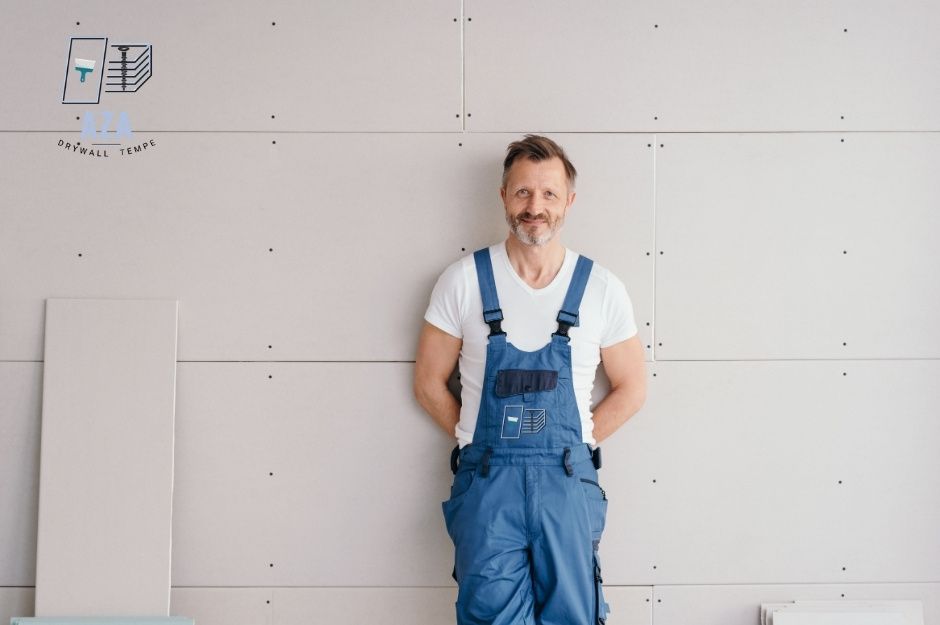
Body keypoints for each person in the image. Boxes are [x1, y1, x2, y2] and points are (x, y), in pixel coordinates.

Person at [414, 134, 647, 625]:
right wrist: (476, 438)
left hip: (568, 483)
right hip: (487, 486)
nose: (534, 206)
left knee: (574, 617)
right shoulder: (463, 281)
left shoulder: (601, 289)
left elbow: (632, 388)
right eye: (522, 192)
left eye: (548, 194)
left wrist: (576, 441)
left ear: (569, 201)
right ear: (503, 196)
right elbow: (429, 383)